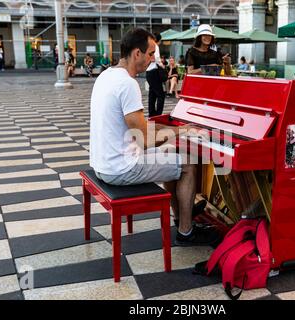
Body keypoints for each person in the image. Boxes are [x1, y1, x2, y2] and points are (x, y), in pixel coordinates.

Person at [89, 28, 219, 246]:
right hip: (121, 168)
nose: (152, 60)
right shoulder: (127, 83)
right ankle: (186, 232)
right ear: (136, 53)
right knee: (188, 164)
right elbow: (145, 140)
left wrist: (170, 130)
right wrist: (184, 130)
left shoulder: (106, 76)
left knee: (170, 151)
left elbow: (137, 127)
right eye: (151, 54)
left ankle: (181, 215)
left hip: (103, 163)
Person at [146, 32, 166, 117]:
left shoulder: (147, 46)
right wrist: (162, 65)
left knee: (152, 94)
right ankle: (158, 114)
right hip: (154, 72)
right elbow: (157, 58)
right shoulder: (155, 46)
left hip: (148, 72)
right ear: (159, 40)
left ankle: (152, 113)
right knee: (161, 94)